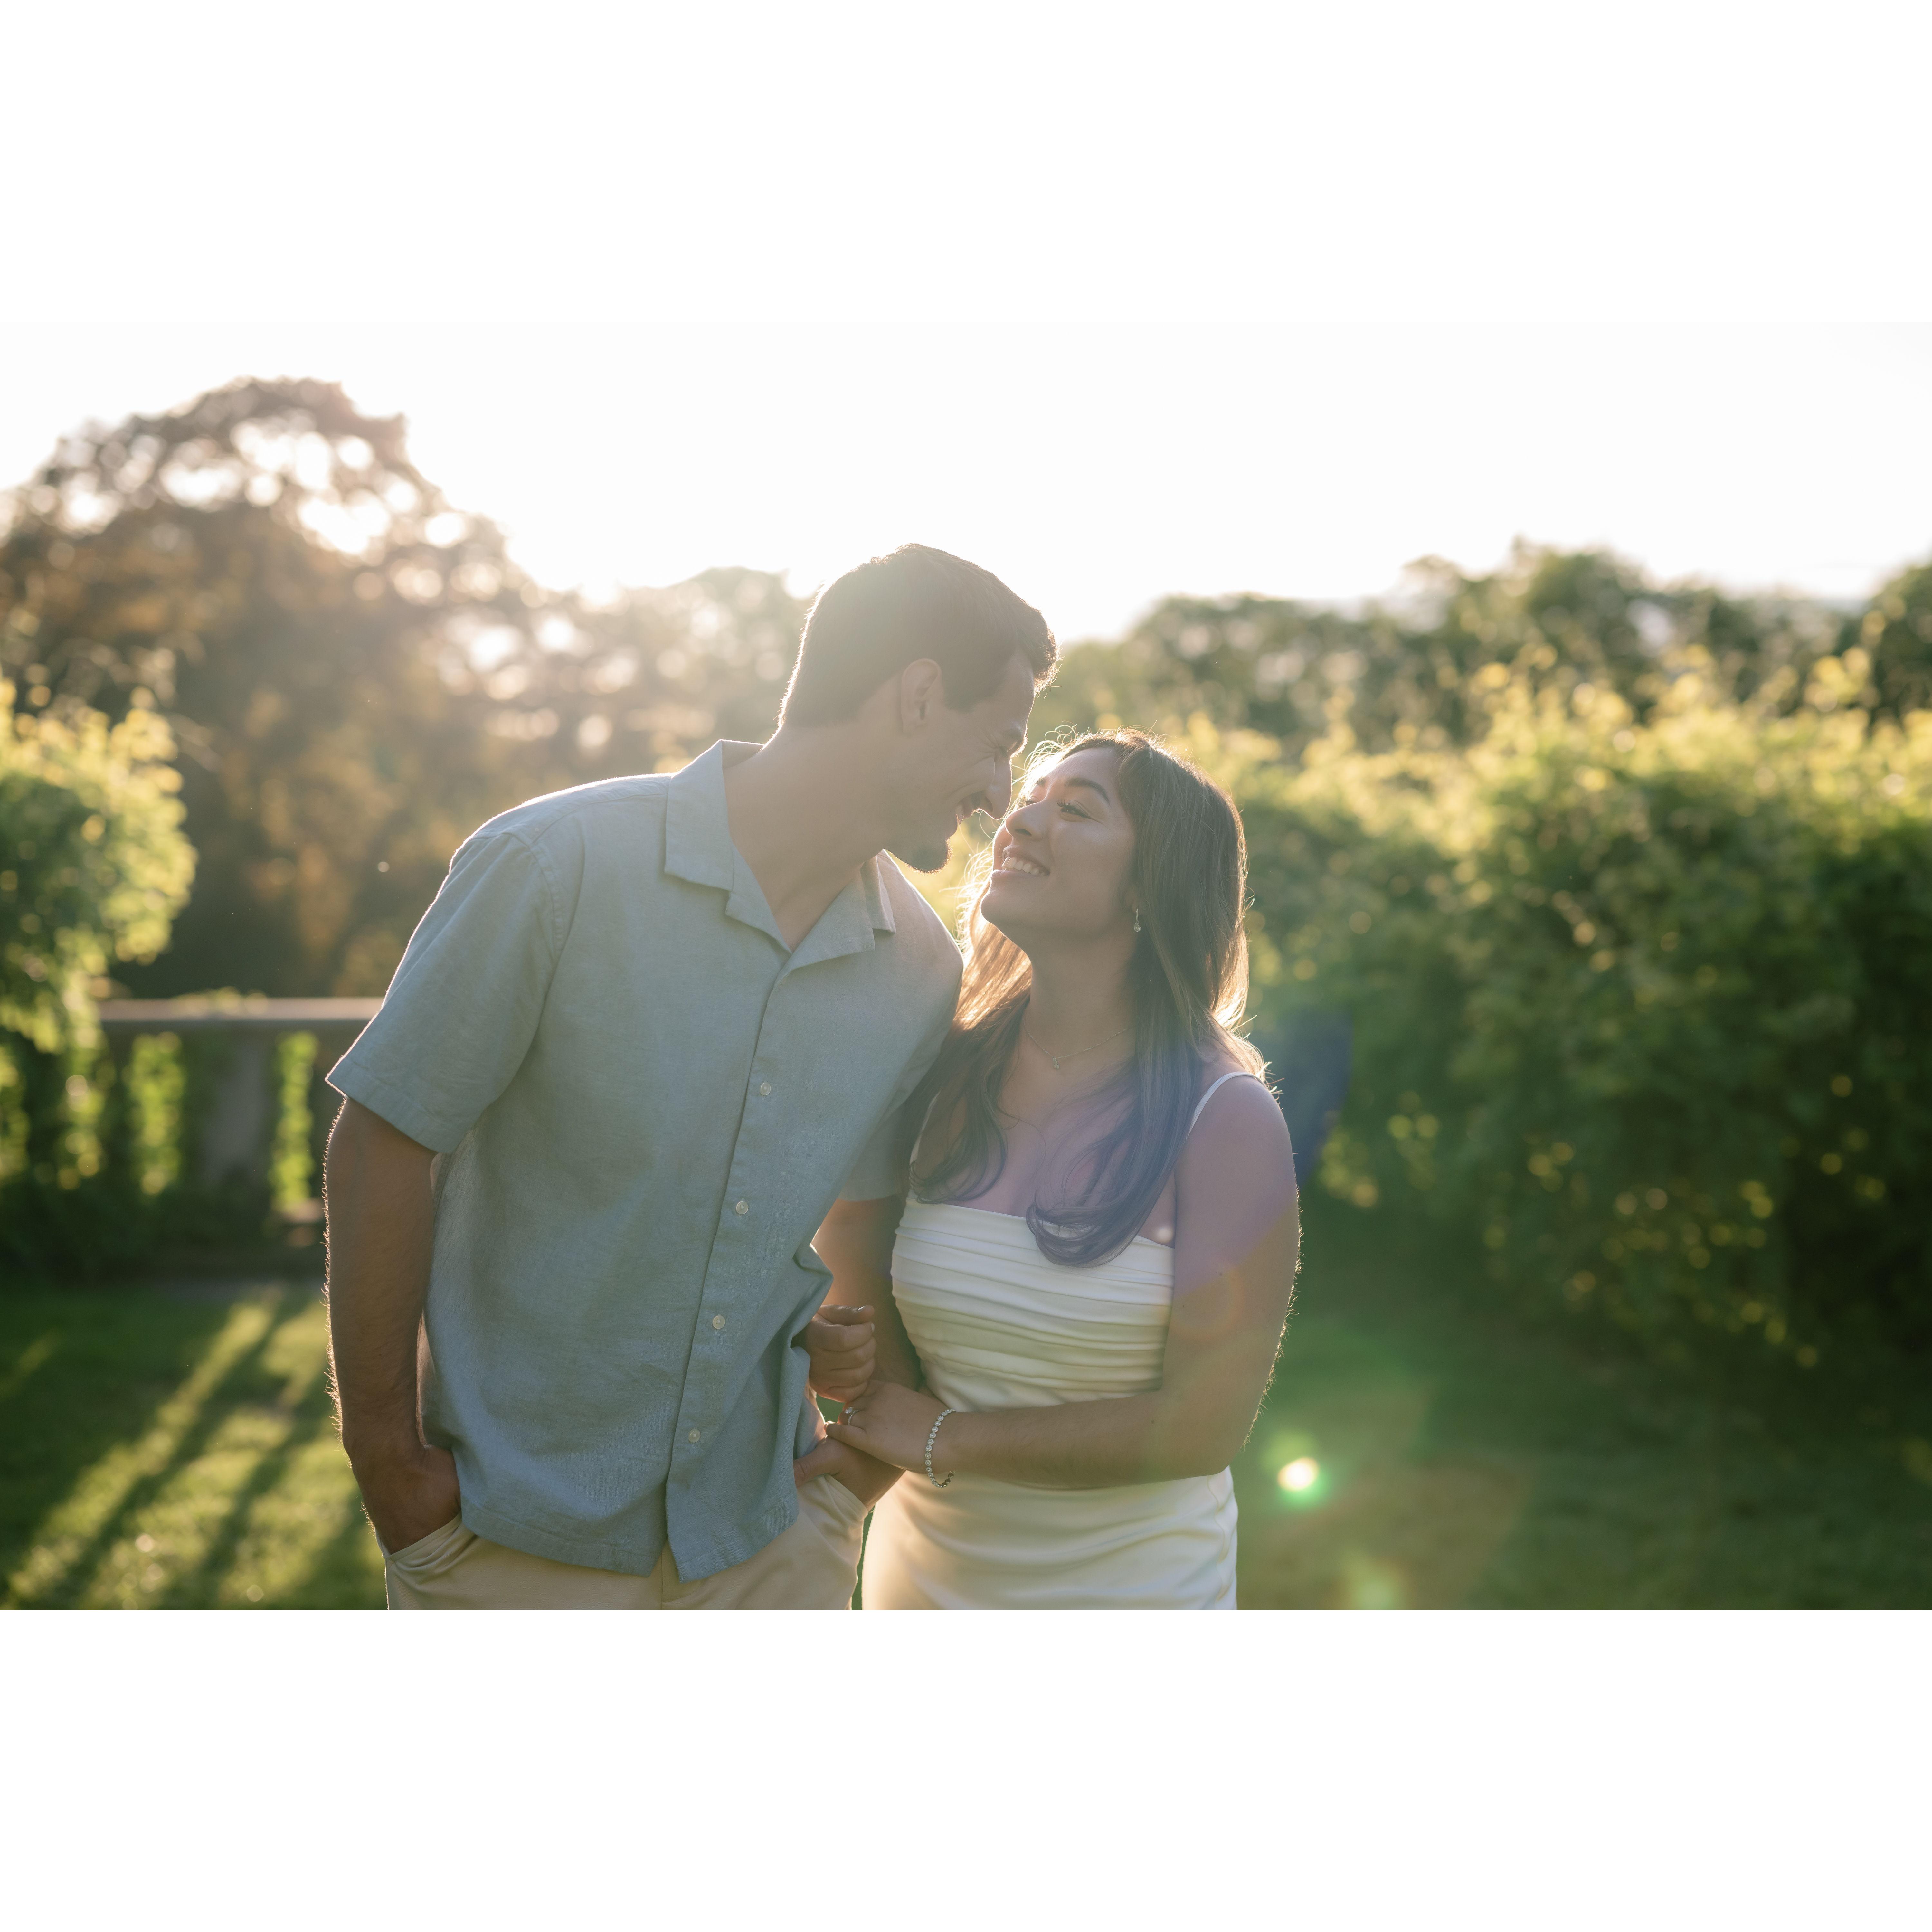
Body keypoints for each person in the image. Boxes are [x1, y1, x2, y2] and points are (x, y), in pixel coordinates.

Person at [323, 544, 1054, 1608]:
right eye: (997, 745)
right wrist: (390, 1466)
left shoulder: (919, 969)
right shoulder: (552, 866)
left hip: (765, 1544)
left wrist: (844, 1482)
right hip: (506, 1538)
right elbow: (385, 1140)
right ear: (917, 694)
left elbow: (854, 1220)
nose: (999, 794)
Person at [800, 730, 1298, 1608]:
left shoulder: (1225, 1119)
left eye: (1075, 810)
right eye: (1032, 798)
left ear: (1152, 883)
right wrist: (849, 1350)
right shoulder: (937, 1072)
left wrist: (946, 1438)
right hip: (920, 1584)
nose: (1021, 820)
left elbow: (1201, 1426)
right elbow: (861, 1277)